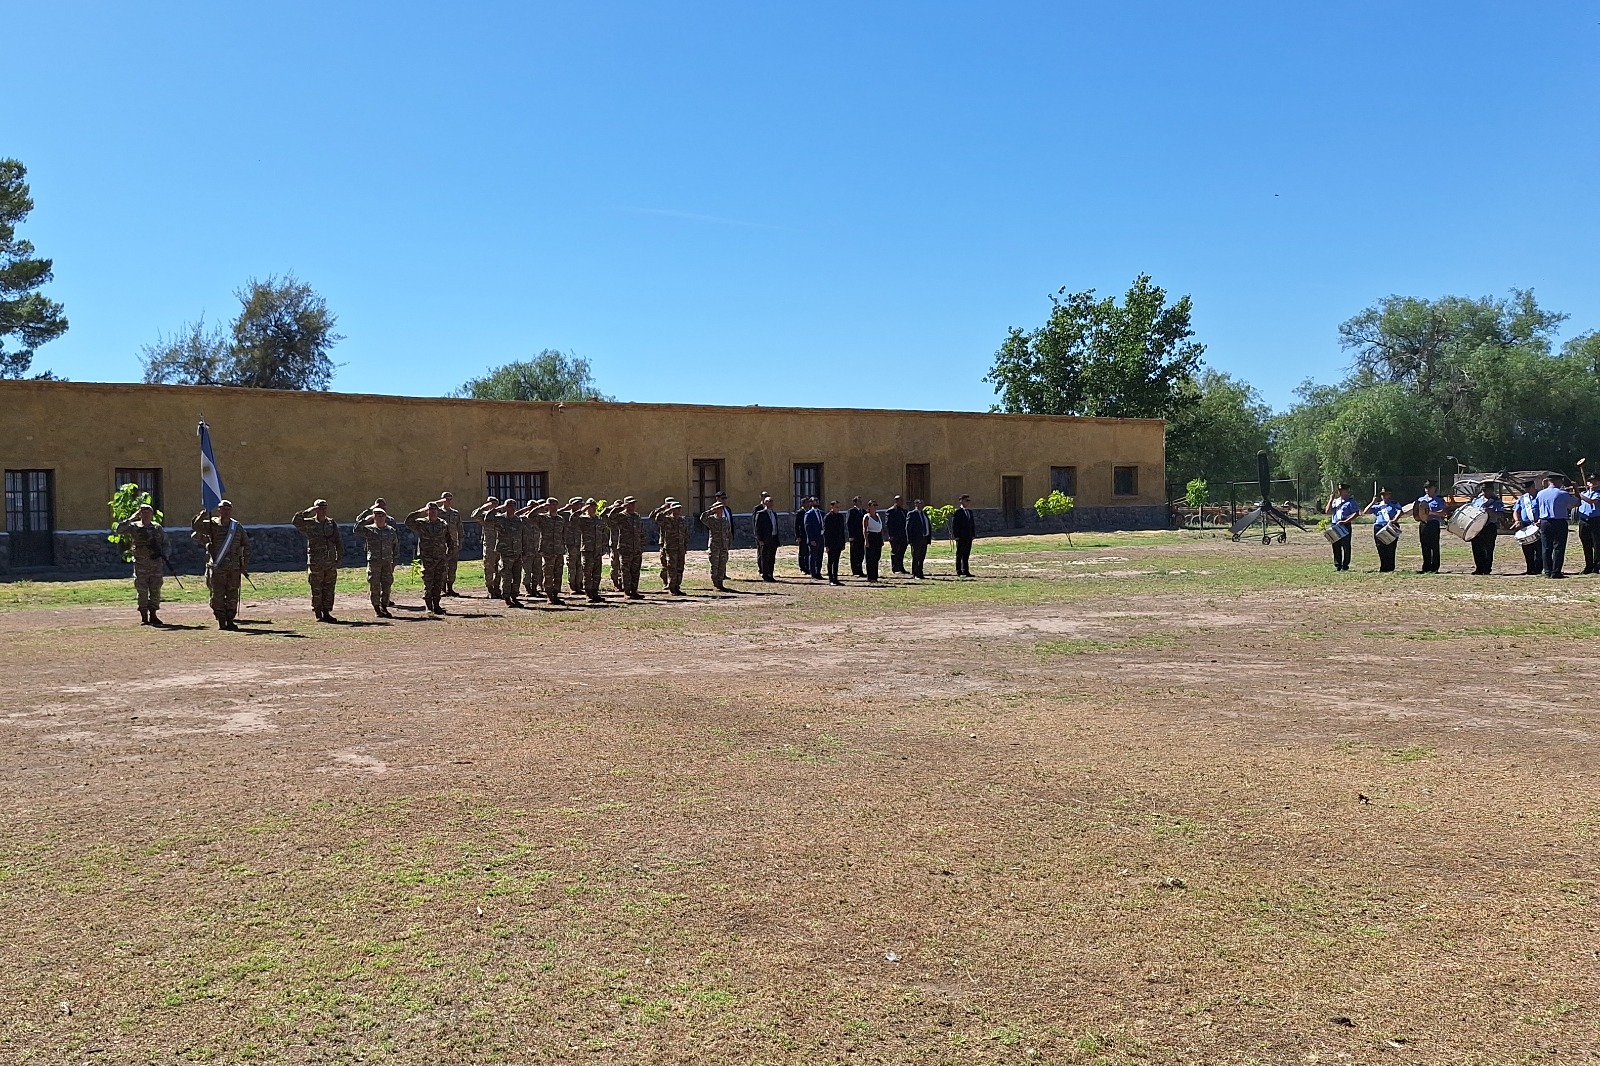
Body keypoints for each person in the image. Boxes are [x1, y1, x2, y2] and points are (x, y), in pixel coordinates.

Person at [191, 500, 249, 631]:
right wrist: (204, 514)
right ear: (219, 510)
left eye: (228, 509)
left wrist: (245, 563)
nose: (226, 511)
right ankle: (221, 619)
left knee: (232, 594)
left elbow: (246, 545)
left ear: (231, 510)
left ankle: (230, 619)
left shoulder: (237, 527)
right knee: (218, 594)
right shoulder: (212, 525)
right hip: (218, 566)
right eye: (223, 509)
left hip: (234, 566)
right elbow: (196, 527)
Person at [116, 502, 168, 625]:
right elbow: (119, 530)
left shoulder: (157, 528)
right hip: (141, 565)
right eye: (143, 511)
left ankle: (153, 614)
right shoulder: (134, 526)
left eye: (148, 511)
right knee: (142, 591)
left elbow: (166, 543)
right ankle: (144, 615)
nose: (145, 514)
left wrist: (164, 556)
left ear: (152, 514)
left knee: (155, 590)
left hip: (155, 565)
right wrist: (131, 518)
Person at [292, 499, 343, 622]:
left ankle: (327, 612)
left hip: (330, 561)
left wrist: (339, 557)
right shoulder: (309, 523)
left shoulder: (331, 523)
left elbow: (338, 541)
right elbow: (295, 521)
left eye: (324, 508)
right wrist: (308, 511)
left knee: (329, 588)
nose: (322, 510)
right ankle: (318, 612)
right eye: (319, 508)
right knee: (316, 588)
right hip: (316, 562)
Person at [404, 500, 453, 614]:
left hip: (440, 558)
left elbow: (449, 540)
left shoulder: (442, 524)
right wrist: (419, 512)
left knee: (439, 581)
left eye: (435, 510)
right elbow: (408, 522)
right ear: (427, 512)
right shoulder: (421, 523)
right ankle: (429, 607)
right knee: (428, 582)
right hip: (427, 558)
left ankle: (437, 605)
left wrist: (449, 554)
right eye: (430, 510)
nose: (433, 512)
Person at [352, 506, 401, 617]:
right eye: (377, 515)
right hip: (374, 562)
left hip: (387, 563)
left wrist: (395, 561)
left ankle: (384, 606)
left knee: (387, 585)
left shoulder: (390, 531)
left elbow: (396, 546)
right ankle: (377, 608)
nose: (380, 518)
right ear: (374, 517)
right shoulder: (369, 530)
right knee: (375, 586)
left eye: (382, 515)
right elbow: (356, 529)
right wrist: (366, 518)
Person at [1535, 475, 1580, 578]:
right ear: (1559, 481)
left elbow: (1536, 507)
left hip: (1545, 522)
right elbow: (1577, 503)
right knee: (1559, 547)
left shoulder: (1541, 494)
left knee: (1546, 547)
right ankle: (1556, 571)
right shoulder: (1562, 493)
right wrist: (1576, 489)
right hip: (1559, 521)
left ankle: (1547, 571)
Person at [607, 497, 646, 599]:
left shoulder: (637, 517)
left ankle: (634, 591)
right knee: (626, 571)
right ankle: (627, 592)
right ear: (626, 505)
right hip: (625, 548)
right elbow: (609, 518)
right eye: (630, 504)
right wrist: (617, 508)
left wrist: (642, 546)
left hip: (636, 548)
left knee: (635, 571)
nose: (633, 506)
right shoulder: (621, 516)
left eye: (634, 504)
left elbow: (641, 532)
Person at [652, 498, 688, 594]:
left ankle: (677, 586)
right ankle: (672, 587)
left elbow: (685, 535)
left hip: (680, 548)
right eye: (676, 509)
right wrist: (665, 509)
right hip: (670, 548)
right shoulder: (667, 520)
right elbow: (656, 517)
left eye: (679, 509)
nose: (678, 511)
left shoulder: (682, 521)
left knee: (680, 568)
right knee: (671, 568)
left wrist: (685, 547)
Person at [535, 498, 569, 604]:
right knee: (548, 573)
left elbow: (563, 533)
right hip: (547, 550)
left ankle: (555, 594)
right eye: (551, 504)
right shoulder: (542, 518)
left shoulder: (560, 519)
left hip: (559, 549)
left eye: (555, 504)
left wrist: (564, 546)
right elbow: (530, 516)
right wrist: (540, 507)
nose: (554, 506)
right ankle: (549, 595)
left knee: (558, 574)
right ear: (547, 506)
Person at [1468, 485, 1506, 576]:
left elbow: (1501, 514)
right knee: (1476, 547)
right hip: (1477, 526)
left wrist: (1490, 512)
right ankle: (1479, 568)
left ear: (1492, 490)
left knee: (1488, 548)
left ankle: (1487, 568)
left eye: (1487, 490)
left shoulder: (1496, 501)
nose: (1485, 492)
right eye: (1484, 490)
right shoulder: (1476, 500)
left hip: (1489, 526)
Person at [493, 500, 525, 607]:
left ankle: (514, 596)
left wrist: (522, 549)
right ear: (505, 507)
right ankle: (506, 597)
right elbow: (484, 517)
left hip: (517, 552)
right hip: (506, 552)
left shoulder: (518, 520)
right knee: (506, 576)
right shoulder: (500, 518)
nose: (511, 508)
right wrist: (498, 508)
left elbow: (522, 536)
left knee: (517, 576)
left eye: (513, 505)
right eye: (509, 506)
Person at [575, 498, 606, 602]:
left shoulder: (598, 519)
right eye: (590, 506)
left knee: (597, 574)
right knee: (587, 574)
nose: (592, 508)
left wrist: (603, 547)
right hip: (587, 550)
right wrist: (582, 509)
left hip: (598, 550)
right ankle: (588, 594)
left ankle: (595, 593)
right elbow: (572, 518)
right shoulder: (582, 519)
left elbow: (603, 533)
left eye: (593, 506)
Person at [701, 492, 733, 591]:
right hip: (714, 546)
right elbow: (702, 518)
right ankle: (716, 583)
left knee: (722, 565)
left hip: (723, 546)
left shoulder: (724, 521)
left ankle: (721, 583)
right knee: (714, 566)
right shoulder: (711, 520)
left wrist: (729, 543)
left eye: (721, 508)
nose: (720, 510)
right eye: (718, 508)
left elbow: (728, 533)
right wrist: (711, 511)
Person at [471, 497, 502, 599]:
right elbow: (474, 516)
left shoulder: (500, 516)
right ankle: (490, 588)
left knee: (499, 568)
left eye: (495, 504)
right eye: (491, 504)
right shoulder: (484, 515)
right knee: (488, 567)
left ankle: (497, 587)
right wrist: (483, 507)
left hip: (500, 545)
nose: (493, 506)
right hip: (489, 545)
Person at [1366, 488, 1403, 573]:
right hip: (1379, 526)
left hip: (1391, 525)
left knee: (1391, 547)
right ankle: (1383, 567)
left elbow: (1400, 511)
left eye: (1385, 494)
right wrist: (1372, 502)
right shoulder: (1378, 505)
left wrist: (1394, 520)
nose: (1384, 496)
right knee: (1381, 547)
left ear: (1389, 495)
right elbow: (1366, 511)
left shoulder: (1394, 504)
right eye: (1382, 494)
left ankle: (1390, 567)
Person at [1414, 481, 1445, 574]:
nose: (1427, 490)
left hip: (1433, 524)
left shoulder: (1439, 499)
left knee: (1434, 546)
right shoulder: (1420, 499)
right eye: (1426, 488)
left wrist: (1431, 513)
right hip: (1423, 524)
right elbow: (1416, 512)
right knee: (1424, 545)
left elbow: (1443, 512)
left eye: (1429, 488)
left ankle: (1435, 567)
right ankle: (1426, 566)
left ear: (1434, 488)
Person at [1326, 485, 1358, 572]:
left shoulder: (1350, 502)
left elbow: (1356, 513)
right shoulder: (1335, 501)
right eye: (1339, 490)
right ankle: (1338, 565)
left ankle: (1345, 565)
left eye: (1342, 490)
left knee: (1346, 545)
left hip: (1345, 524)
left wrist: (1346, 521)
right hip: (1335, 524)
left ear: (1347, 491)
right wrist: (1331, 499)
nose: (1340, 492)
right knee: (1336, 545)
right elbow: (1327, 511)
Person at [439, 491, 464, 596]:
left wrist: (460, 541)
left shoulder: (455, 513)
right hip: (441, 544)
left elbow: (460, 527)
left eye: (450, 499)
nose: (448, 501)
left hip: (453, 543)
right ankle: (442, 587)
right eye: (446, 499)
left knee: (452, 566)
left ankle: (450, 587)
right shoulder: (438, 512)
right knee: (442, 566)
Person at [1513, 485, 1541, 575]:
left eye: (1529, 488)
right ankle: (1530, 568)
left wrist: (1541, 519)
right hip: (1526, 525)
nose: (1527, 490)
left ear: (1533, 487)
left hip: (1538, 524)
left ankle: (1538, 568)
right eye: (1526, 489)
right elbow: (1516, 511)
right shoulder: (1523, 498)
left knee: (1540, 549)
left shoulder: (1540, 496)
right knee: (1527, 549)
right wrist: (1517, 520)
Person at [753, 493, 781, 582]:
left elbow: (775, 526)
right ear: (765, 503)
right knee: (765, 557)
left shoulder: (774, 514)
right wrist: (759, 539)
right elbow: (757, 528)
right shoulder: (761, 513)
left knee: (772, 558)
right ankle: (765, 575)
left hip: (773, 538)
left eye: (772, 501)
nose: (771, 503)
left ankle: (770, 574)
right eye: (769, 501)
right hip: (765, 539)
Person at [1577, 473, 1600, 574]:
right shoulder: (1584, 493)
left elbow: (1591, 501)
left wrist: (1579, 494)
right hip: (1583, 521)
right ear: (1587, 483)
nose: (1593, 483)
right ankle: (1589, 565)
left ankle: (1597, 566)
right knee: (1586, 544)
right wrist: (1577, 493)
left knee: (1597, 544)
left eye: (1595, 481)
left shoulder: (1598, 493)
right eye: (1590, 481)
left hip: (1595, 520)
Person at [822, 500, 848, 584]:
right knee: (830, 561)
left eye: (839, 507)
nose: (838, 509)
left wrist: (843, 543)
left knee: (836, 561)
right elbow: (826, 532)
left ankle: (836, 578)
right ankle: (831, 579)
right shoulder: (828, 517)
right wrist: (826, 545)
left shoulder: (840, 517)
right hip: (831, 543)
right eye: (836, 507)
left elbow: (842, 531)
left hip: (838, 542)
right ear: (832, 507)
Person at [564, 498, 586, 595]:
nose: (579, 506)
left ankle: (578, 585)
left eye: (580, 504)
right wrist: (566, 507)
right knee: (572, 566)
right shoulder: (566, 514)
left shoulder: (582, 515)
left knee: (579, 566)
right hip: (571, 543)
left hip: (580, 543)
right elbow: (556, 513)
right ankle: (572, 586)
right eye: (577, 504)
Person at [950, 495, 976, 577]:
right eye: (966, 500)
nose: (968, 502)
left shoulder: (969, 512)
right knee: (959, 554)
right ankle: (959, 570)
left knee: (966, 554)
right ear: (961, 501)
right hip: (961, 537)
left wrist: (973, 534)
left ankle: (966, 570)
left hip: (968, 537)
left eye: (968, 500)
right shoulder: (958, 512)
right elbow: (955, 525)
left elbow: (972, 524)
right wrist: (956, 536)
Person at [907, 499, 933, 579]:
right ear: (915, 504)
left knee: (922, 556)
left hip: (924, 538)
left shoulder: (924, 513)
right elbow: (908, 528)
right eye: (919, 503)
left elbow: (927, 525)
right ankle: (915, 573)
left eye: (922, 503)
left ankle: (920, 572)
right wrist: (910, 540)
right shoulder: (912, 514)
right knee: (916, 557)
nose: (921, 505)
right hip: (916, 539)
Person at [884, 496, 909, 574]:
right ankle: (895, 568)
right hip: (895, 535)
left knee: (902, 552)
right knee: (895, 552)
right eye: (900, 500)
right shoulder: (891, 511)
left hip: (903, 535)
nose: (902, 502)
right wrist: (890, 535)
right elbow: (888, 524)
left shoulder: (904, 511)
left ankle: (901, 567)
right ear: (896, 501)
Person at [862, 500, 885, 582]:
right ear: (869, 507)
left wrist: (882, 539)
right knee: (870, 558)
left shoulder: (878, 516)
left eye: (876, 505)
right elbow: (865, 529)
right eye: (873, 505)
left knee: (876, 557)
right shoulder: (867, 517)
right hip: (871, 536)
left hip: (878, 537)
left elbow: (880, 528)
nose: (875, 507)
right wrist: (866, 541)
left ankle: (875, 576)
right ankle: (870, 576)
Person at [803, 497, 825, 578]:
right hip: (813, 538)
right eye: (814, 501)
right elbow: (807, 527)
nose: (816, 502)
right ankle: (813, 573)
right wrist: (811, 539)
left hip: (821, 538)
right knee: (813, 556)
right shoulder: (809, 514)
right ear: (811, 503)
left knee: (820, 556)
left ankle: (818, 572)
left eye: (817, 501)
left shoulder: (822, 513)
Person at [846, 497, 867, 577]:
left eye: (861, 501)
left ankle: (860, 570)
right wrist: (851, 535)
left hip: (862, 536)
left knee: (861, 553)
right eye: (859, 501)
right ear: (854, 503)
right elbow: (849, 524)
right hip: (855, 536)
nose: (861, 503)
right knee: (854, 554)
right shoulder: (851, 511)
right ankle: (855, 571)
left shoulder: (863, 511)